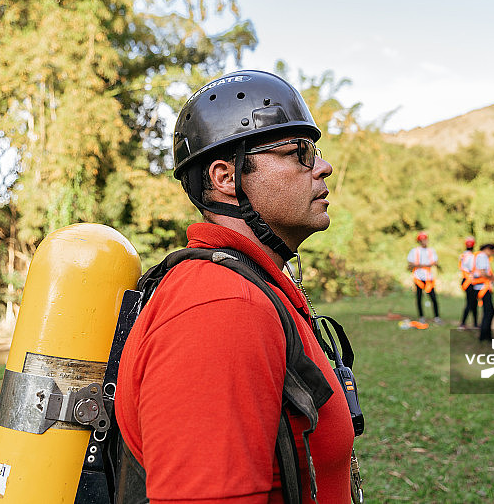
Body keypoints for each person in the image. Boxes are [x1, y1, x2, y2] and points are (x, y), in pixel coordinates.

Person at [114, 71, 355, 502]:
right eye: (299, 152)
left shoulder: (256, 286)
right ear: (227, 178)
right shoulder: (221, 306)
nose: (323, 166)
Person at [407, 232, 441, 323]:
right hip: (418, 277)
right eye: (422, 240)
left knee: (433, 298)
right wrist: (422, 265)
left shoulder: (431, 251)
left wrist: (422, 265)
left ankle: (437, 317)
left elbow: (435, 262)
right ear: (419, 241)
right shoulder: (414, 251)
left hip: (429, 278)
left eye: (425, 240)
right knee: (419, 298)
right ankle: (421, 316)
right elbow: (410, 264)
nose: (424, 242)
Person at [471, 243, 494, 342]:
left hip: (482, 287)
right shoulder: (482, 256)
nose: (492, 255)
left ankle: (486, 335)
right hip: (483, 288)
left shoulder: (480, 256)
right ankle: (485, 336)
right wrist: (493, 278)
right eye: (492, 252)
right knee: (489, 312)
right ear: (488, 249)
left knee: (489, 311)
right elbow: (482, 272)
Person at [458, 236, 478, 331]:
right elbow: (472, 268)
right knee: (470, 303)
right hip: (470, 281)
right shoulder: (472, 256)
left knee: (473, 303)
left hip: (465, 280)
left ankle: (475, 323)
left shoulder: (462, 255)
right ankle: (463, 323)